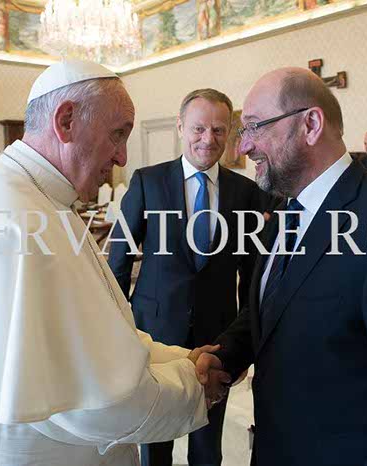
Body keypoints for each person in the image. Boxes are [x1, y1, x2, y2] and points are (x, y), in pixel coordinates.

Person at [0, 59, 227, 466]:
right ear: (67, 120)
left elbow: (97, 339)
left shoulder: (35, 197)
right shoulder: (19, 219)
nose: (123, 157)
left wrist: (179, 358)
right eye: (118, 134)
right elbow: (92, 402)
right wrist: (194, 384)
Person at [194, 68, 367, 465]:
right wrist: (227, 355)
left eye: (255, 127)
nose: (243, 146)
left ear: (310, 125)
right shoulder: (285, 211)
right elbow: (277, 304)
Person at [108, 88, 272, 466]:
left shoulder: (246, 192)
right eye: (198, 128)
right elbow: (118, 263)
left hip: (217, 337)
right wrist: (117, 330)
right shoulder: (147, 182)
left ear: (229, 133)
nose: (207, 139)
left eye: (218, 130)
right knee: (154, 445)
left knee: (207, 447)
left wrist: (243, 344)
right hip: (154, 333)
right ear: (181, 127)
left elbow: (252, 278)